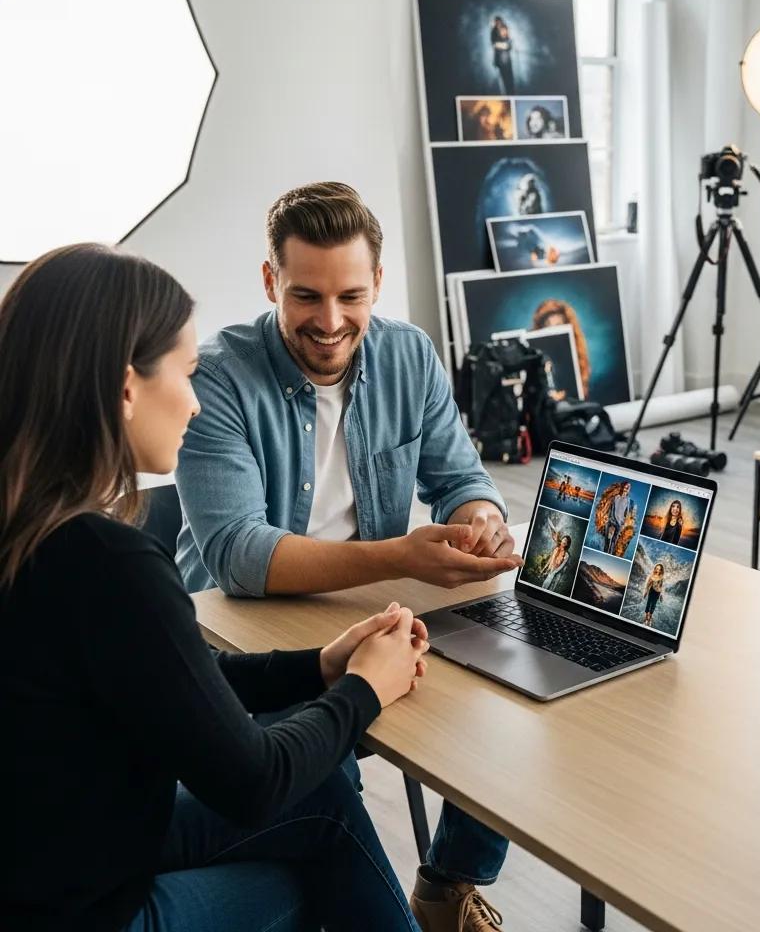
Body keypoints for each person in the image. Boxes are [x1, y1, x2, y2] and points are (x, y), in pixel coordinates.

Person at [0, 244, 429, 931]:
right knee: (315, 872)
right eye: (188, 372)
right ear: (125, 386)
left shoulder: (31, 527)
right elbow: (253, 782)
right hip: (86, 909)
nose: (197, 404)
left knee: (327, 803)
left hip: (47, 861)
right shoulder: (107, 561)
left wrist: (317, 666)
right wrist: (365, 690)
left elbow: (173, 676)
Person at [173, 182, 520, 929]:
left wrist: (480, 518)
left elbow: (460, 478)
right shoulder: (217, 377)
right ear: (270, 281)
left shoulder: (409, 354)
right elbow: (238, 555)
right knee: (320, 783)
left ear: (378, 284)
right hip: (243, 638)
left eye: (351, 297)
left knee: (509, 698)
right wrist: (400, 557)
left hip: (374, 611)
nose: (330, 323)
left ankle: (449, 881)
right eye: (305, 297)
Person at [531, 298, 591, 398]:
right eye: (547, 326)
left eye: (558, 326)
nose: (552, 331)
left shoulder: (576, 355)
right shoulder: (533, 356)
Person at [540, 517, 572, 593]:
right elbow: (551, 559)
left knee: (550, 587)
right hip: (551, 569)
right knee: (544, 585)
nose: (564, 541)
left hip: (555, 572)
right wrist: (545, 568)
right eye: (563, 539)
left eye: (566, 541)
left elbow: (562, 565)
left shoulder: (566, 555)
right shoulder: (556, 548)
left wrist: (554, 571)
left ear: (567, 544)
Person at [603, 482, 631, 556]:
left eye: (629, 487)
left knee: (613, 542)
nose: (627, 488)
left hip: (619, 523)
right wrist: (608, 518)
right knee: (607, 540)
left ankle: (609, 555)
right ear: (623, 487)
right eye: (626, 486)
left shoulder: (628, 500)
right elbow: (611, 508)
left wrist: (623, 523)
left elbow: (626, 513)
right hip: (611, 521)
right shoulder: (616, 497)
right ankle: (604, 553)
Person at [490, 15, 514, 94]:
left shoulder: (505, 30)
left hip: (506, 60)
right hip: (500, 61)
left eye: (499, 22)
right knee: (503, 81)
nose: (498, 24)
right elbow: (494, 44)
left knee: (509, 80)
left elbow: (509, 44)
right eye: (497, 22)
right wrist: (504, 46)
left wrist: (507, 45)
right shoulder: (494, 31)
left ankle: (510, 93)